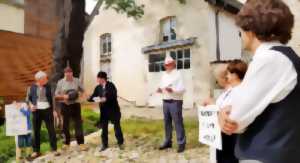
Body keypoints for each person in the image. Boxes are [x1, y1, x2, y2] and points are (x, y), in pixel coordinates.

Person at [218, 0, 300, 162]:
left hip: (264, 156)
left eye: (240, 29)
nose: (240, 34)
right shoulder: (286, 57)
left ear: (251, 29)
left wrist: (224, 115)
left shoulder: (269, 59)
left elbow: (235, 119)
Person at [88, 71, 124, 152]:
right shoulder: (98, 87)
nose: (97, 80)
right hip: (104, 111)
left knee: (117, 127)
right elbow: (93, 96)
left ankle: (120, 143)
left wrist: (106, 98)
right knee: (104, 128)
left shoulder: (111, 85)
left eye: (98, 78)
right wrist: (90, 98)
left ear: (102, 78)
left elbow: (113, 95)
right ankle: (104, 144)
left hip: (113, 110)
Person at [26, 71, 59, 159]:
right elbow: (28, 99)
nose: (46, 80)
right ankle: (36, 151)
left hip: (47, 110)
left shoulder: (50, 87)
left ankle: (54, 149)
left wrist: (54, 110)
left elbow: (53, 99)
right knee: (36, 131)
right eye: (44, 79)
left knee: (51, 130)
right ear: (39, 80)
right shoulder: (31, 88)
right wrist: (31, 105)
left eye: (46, 78)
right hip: (36, 111)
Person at [55, 66, 88, 151]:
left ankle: (81, 143)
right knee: (65, 125)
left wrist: (83, 96)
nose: (68, 75)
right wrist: (64, 96)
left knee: (78, 124)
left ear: (72, 73)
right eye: (67, 73)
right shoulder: (60, 82)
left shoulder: (77, 80)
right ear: (64, 74)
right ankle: (67, 143)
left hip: (75, 105)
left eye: (70, 73)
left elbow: (83, 90)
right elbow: (56, 96)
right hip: (65, 105)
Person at [157, 55, 186, 153]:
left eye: (169, 64)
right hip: (165, 101)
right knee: (167, 123)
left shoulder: (178, 74)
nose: (167, 66)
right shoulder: (164, 75)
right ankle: (168, 141)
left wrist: (172, 90)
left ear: (173, 64)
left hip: (175, 101)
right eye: (165, 65)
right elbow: (162, 86)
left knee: (178, 122)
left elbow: (182, 89)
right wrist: (160, 90)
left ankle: (181, 143)